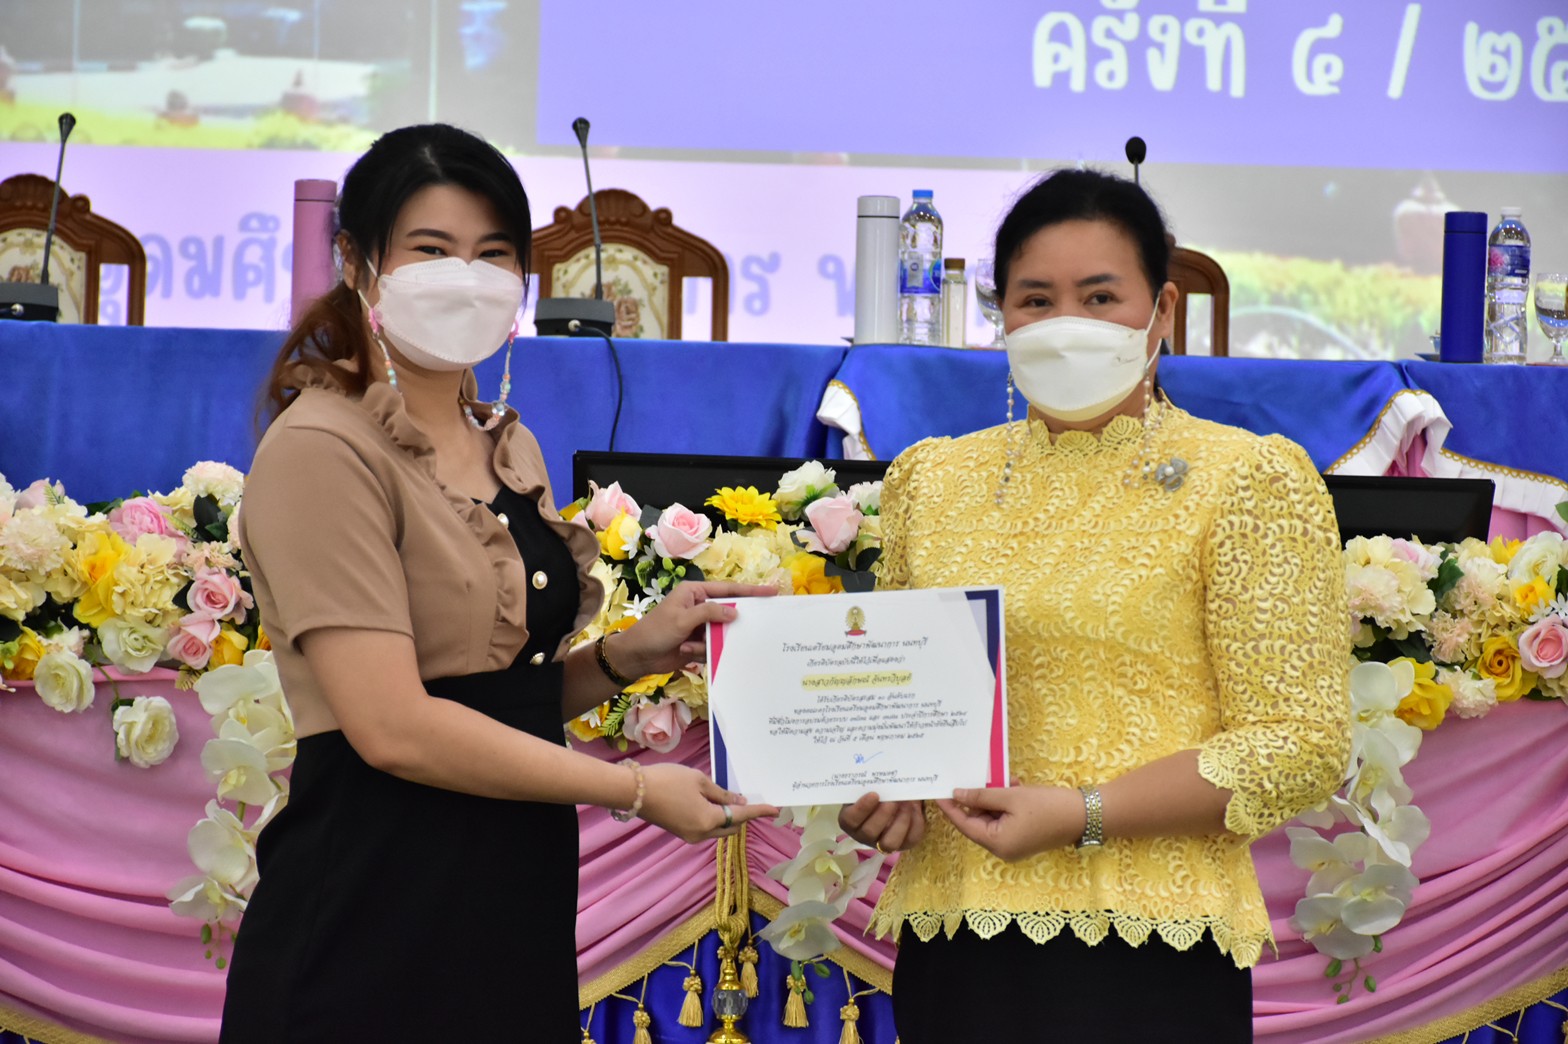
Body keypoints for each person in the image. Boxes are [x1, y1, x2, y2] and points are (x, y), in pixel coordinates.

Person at [220, 123, 776, 1042]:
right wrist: (636, 794)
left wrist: (626, 658)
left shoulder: (506, 445)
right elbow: (395, 727)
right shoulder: (323, 447)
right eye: (431, 250)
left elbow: (496, 698)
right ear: (357, 262)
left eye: (492, 254)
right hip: (371, 901)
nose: (465, 277)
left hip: (509, 899)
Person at [839, 169, 1351, 1041]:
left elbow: (1299, 744)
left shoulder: (1249, 477)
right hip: (958, 939)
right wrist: (886, 790)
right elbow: (903, 707)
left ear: (1163, 310)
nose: (1066, 322)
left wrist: (1084, 813)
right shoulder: (931, 479)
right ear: (1001, 312)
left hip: (1151, 949)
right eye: (1036, 299)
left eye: (1100, 296)